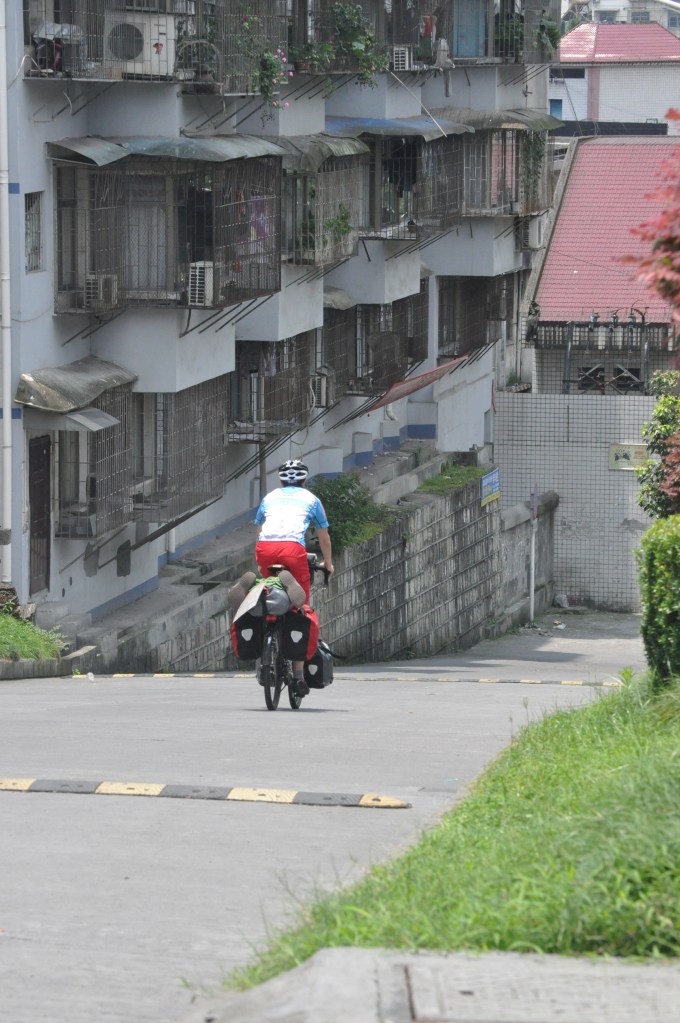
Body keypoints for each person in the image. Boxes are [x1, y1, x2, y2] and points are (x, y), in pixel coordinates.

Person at [254, 459, 334, 695]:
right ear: (304, 480)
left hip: (265, 550)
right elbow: (324, 537)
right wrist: (327, 564)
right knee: (301, 607)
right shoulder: (312, 500)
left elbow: (259, 531)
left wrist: (260, 562)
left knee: (267, 592)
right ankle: (298, 676)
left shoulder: (269, 498)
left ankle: (264, 652)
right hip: (292, 550)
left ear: (280, 481)